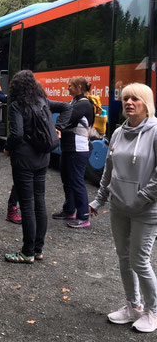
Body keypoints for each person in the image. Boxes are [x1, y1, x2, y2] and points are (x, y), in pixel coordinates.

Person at [89, 83, 157, 333]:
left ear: (146, 103)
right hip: (118, 207)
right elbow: (109, 170)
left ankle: (153, 311)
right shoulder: (118, 132)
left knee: (140, 261)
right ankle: (133, 306)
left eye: (135, 99)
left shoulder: (155, 132)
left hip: (147, 210)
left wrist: (141, 198)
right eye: (126, 98)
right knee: (124, 259)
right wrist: (99, 200)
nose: (129, 102)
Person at [3, 70, 71, 263]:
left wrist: (7, 148)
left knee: (26, 203)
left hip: (24, 159)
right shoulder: (43, 101)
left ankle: (27, 251)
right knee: (39, 201)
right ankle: (38, 249)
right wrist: (59, 128)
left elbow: (16, 134)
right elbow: (67, 107)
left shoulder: (16, 106)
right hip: (43, 157)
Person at [52, 77, 95, 228]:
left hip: (78, 148)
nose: (68, 88)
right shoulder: (74, 102)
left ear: (78, 87)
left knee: (76, 181)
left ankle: (83, 216)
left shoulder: (83, 104)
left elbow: (67, 118)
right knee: (67, 178)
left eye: (70, 86)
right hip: (69, 147)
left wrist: (56, 126)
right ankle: (69, 210)